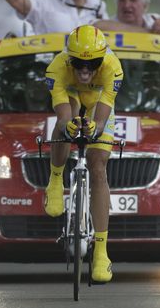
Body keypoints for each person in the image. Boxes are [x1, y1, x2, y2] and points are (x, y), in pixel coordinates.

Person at [44, 24, 123, 283]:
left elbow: (101, 119)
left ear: (102, 58)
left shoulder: (113, 67)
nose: (86, 70)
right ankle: (55, 179)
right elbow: (64, 114)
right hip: (71, 94)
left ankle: (101, 253)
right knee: (64, 127)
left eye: (93, 64)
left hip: (99, 98)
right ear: (69, 59)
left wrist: (95, 128)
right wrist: (70, 125)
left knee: (98, 166)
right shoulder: (57, 68)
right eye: (79, 63)